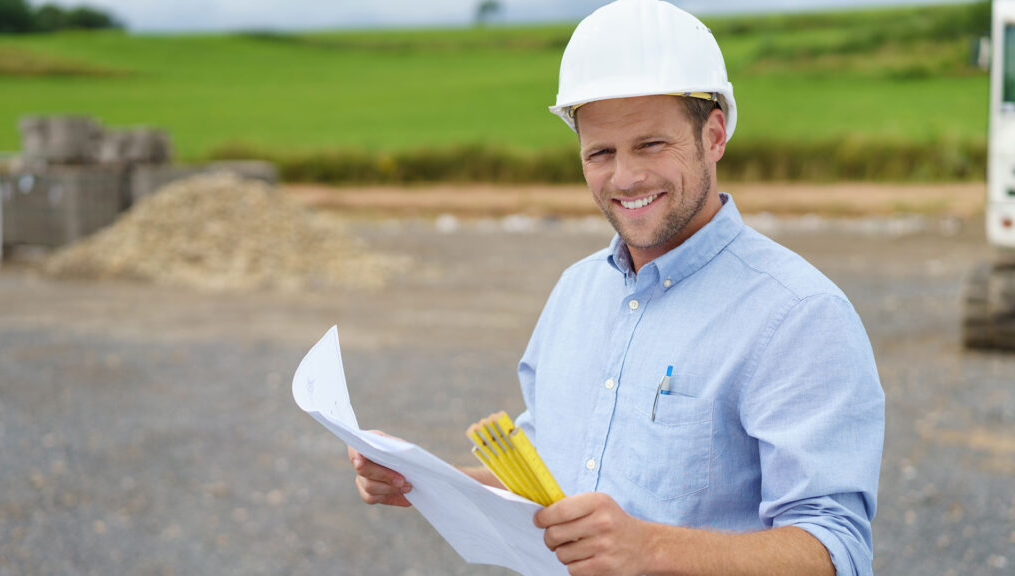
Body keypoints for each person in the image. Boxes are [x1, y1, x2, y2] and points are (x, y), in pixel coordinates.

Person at [350, 1, 885, 575]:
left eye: (651, 144)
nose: (625, 177)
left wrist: (648, 548)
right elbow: (551, 489)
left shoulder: (800, 313)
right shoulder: (575, 291)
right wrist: (432, 483)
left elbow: (836, 550)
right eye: (600, 153)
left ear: (714, 135)